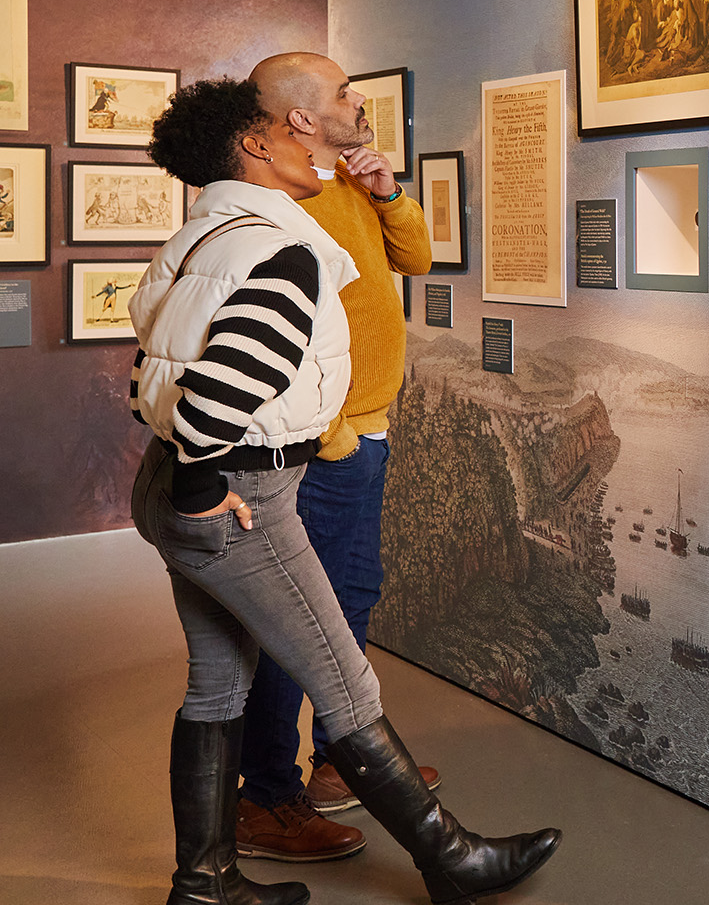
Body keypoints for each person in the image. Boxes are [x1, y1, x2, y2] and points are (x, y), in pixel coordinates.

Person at [129, 77, 559, 905]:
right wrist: (199, 488)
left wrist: (181, 480)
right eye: (288, 132)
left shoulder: (206, 234)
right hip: (237, 493)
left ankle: (207, 882)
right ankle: (453, 859)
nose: (310, 144)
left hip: (189, 482)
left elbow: (156, 359)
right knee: (343, 678)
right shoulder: (280, 250)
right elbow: (218, 395)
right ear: (256, 145)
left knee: (217, 683)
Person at [224, 51, 436, 864]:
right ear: (302, 117)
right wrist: (338, 434)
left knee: (348, 599)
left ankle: (336, 763)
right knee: (298, 619)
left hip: (363, 427)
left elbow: (414, 261)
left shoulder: (343, 179)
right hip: (325, 439)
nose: (360, 101)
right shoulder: (277, 198)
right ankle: (267, 798)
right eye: (345, 92)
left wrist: (390, 194)